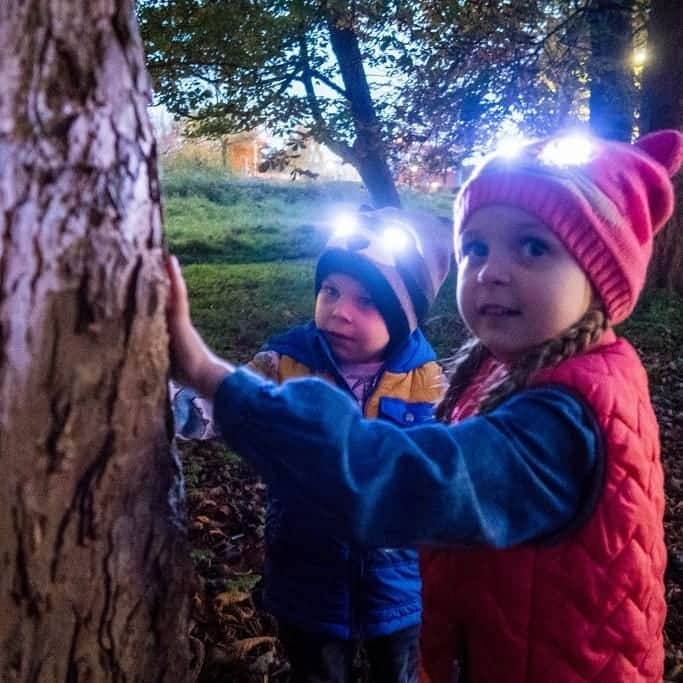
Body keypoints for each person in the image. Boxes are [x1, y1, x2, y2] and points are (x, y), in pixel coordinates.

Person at [167, 129, 683, 682]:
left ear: (602, 278)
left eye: (534, 246)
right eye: (476, 248)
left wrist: (209, 374)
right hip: (366, 604)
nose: (491, 270)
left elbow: (397, 479)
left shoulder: (562, 421)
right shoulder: (511, 372)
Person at [172, 207, 453, 683]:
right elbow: (226, 405)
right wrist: (166, 402)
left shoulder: (426, 382)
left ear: (403, 318)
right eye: (330, 291)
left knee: (399, 671)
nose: (340, 310)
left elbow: (448, 472)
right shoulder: (285, 364)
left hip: (400, 582)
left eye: (367, 301)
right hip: (306, 575)